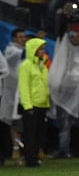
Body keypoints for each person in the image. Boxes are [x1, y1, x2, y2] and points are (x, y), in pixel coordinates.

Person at [49, 31, 79, 158]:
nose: (76, 39)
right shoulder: (63, 55)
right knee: (64, 125)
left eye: (78, 36)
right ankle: (64, 150)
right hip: (65, 95)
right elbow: (57, 75)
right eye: (73, 37)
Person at [18, 38, 51, 167]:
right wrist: (27, 106)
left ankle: (35, 157)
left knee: (39, 134)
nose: (43, 51)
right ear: (34, 50)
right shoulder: (26, 65)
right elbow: (24, 87)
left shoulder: (42, 64)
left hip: (42, 104)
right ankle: (30, 159)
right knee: (30, 134)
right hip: (32, 105)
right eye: (40, 49)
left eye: (43, 48)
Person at [0, 28, 26, 162]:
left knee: (23, 123)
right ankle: (15, 149)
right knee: (14, 122)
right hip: (12, 93)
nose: (23, 39)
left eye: (24, 37)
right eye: (20, 37)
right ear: (14, 38)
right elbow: (16, 56)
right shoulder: (10, 50)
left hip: (24, 93)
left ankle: (26, 149)